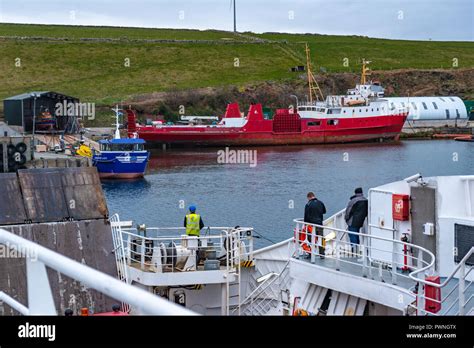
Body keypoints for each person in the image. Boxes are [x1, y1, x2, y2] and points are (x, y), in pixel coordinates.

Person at [344, 187, 368, 253]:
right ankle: (357, 249)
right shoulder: (365, 200)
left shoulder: (353, 201)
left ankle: (354, 251)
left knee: (352, 235)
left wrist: (346, 219)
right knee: (356, 234)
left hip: (353, 221)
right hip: (360, 221)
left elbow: (348, 211)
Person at [304, 192, 327, 258]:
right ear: (314, 196)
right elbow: (324, 211)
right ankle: (322, 254)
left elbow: (306, 216)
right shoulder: (320, 202)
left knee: (310, 238)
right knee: (321, 238)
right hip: (319, 224)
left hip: (311, 225)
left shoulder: (308, 204)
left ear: (308, 197)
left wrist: (306, 225)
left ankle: (311, 253)